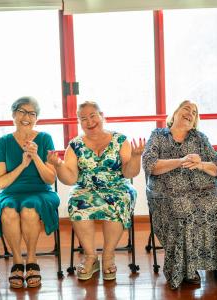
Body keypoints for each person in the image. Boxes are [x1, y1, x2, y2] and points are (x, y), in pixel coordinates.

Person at [47, 101, 144, 281]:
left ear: (101, 116)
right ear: (79, 122)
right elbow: (70, 179)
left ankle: (108, 256)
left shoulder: (120, 140)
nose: (89, 121)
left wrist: (136, 156)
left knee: (118, 200)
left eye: (93, 116)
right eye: (83, 118)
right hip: (86, 187)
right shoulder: (74, 145)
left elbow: (130, 172)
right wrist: (58, 165)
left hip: (117, 186)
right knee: (76, 201)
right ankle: (91, 257)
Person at [142, 100, 217, 290]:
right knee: (184, 208)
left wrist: (201, 165)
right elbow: (150, 165)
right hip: (168, 191)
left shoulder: (200, 138)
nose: (190, 113)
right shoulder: (158, 136)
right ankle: (187, 268)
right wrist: (181, 161)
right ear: (174, 113)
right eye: (186, 109)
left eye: (194, 112)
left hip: (203, 189)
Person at [0, 96, 60, 289]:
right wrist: (23, 165)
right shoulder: (4, 142)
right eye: (22, 111)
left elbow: (50, 179)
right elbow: (1, 181)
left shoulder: (45, 138)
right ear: (14, 114)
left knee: (30, 209)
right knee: (8, 210)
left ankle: (31, 260)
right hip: (11, 193)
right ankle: (16, 261)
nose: (26, 117)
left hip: (41, 192)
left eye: (32, 113)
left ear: (36, 118)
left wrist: (36, 157)